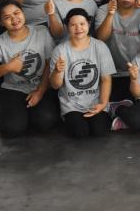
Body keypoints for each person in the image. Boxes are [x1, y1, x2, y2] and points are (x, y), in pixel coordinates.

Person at [0, 0, 59, 138]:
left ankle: (28, 114)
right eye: (7, 17)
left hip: (41, 86)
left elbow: (49, 63)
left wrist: (40, 91)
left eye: (16, 13)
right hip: (14, 89)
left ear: (23, 13)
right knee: (11, 128)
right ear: (1, 22)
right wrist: (7, 67)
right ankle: (18, 114)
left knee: (45, 121)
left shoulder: (41, 31)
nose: (14, 19)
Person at [49, 8, 117, 138]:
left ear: (89, 24)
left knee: (99, 131)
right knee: (80, 132)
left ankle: (111, 109)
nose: (78, 28)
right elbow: (55, 85)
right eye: (73, 25)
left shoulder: (100, 46)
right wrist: (57, 71)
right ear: (67, 27)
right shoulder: (60, 50)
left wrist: (103, 104)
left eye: (82, 24)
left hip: (95, 101)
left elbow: (106, 79)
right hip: (71, 105)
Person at [95, 0, 140, 101]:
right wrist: (110, 14)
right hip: (109, 72)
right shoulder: (104, 9)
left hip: (137, 72)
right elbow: (101, 37)